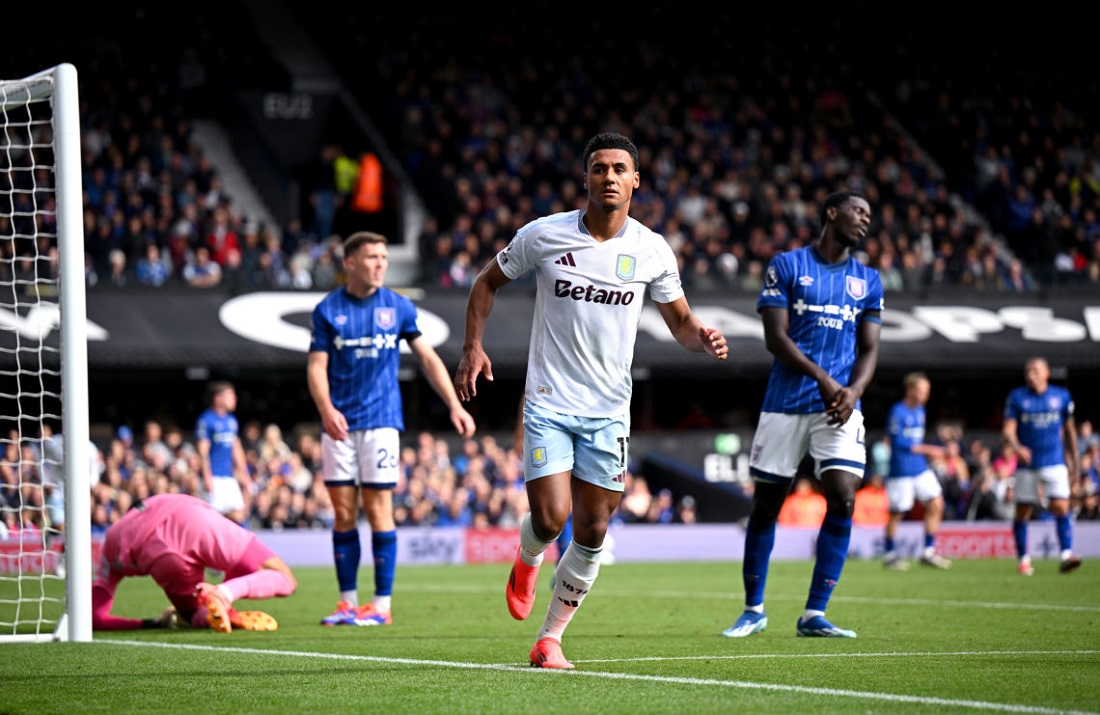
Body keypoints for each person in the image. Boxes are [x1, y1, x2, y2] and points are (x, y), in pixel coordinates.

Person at [453, 132, 729, 668]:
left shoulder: (651, 249)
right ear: (586, 177)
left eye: (619, 168)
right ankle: (529, 556)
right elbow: (486, 283)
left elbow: (680, 323)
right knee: (553, 517)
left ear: (635, 181)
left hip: (609, 409)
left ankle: (549, 638)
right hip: (549, 401)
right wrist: (472, 346)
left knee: (595, 529)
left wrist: (703, 337)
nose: (609, 176)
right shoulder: (543, 235)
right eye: (599, 168)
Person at [722, 190, 882, 640]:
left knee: (844, 495)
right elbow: (776, 338)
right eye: (858, 211)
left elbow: (869, 349)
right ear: (831, 212)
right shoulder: (788, 266)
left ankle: (815, 613)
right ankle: (753, 609)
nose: (865, 220)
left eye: (869, 215)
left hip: (841, 406)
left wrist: (852, 389)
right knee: (768, 503)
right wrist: (824, 379)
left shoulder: (868, 280)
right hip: (786, 402)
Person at [308, 231, 476, 627]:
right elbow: (316, 368)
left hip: (382, 423)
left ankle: (380, 606)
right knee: (343, 512)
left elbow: (428, 358)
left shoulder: (398, 307)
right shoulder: (328, 310)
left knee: (378, 509)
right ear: (350, 263)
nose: (381, 263)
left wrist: (454, 404)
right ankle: (347, 602)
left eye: (384, 256)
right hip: (339, 425)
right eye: (372, 257)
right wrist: (326, 408)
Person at [92, 493, 297, 632]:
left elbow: (94, 618)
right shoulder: (161, 498)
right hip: (194, 519)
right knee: (286, 579)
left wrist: (152, 623)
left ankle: (214, 608)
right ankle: (226, 593)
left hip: (160, 556)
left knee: (193, 615)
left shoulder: (112, 538)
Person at [1002, 356, 1081, 575]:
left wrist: (1074, 463)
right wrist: (1017, 448)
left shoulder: (1061, 396)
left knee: (1061, 506)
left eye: (1035, 371)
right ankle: (1023, 560)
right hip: (1027, 464)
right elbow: (1008, 430)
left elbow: (1070, 431)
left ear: (1047, 373)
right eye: (1028, 371)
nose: (1031, 375)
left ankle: (1066, 555)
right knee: (1023, 510)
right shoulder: (1017, 397)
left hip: (1054, 461)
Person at [881, 372, 952, 571]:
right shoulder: (898, 412)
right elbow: (898, 442)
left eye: (927, 391)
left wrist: (926, 452)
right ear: (910, 390)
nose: (925, 395)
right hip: (901, 470)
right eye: (921, 390)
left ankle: (928, 551)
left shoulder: (920, 411)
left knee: (937, 503)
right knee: (897, 512)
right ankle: (889, 554)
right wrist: (930, 450)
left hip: (919, 468)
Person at [194, 381, 253, 525]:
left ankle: (240, 546)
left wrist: (244, 474)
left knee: (239, 514)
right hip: (214, 477)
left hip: (228, 477)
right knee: (213, 518)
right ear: (218, 398)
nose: (234, 399)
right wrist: (207, 475)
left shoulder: (231, 421)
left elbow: (236, 449)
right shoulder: (206, 420)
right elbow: (203, 450)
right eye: (230, 395)